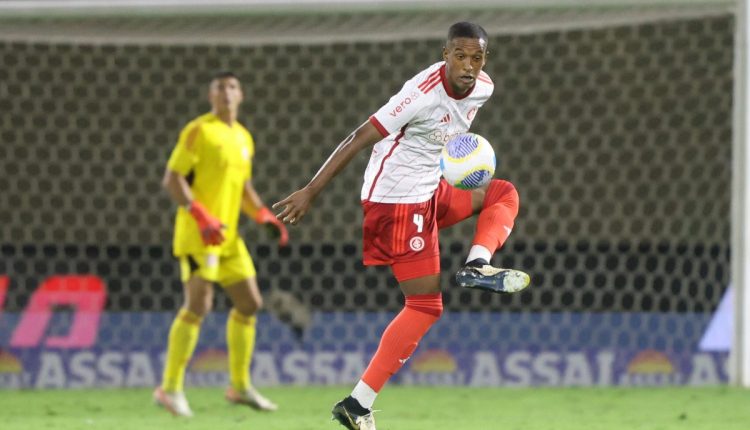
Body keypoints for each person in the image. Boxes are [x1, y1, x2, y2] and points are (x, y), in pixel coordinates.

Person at [273, 22, 530, 430]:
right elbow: (358, 136)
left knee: (502, 194)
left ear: (485, 60)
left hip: (430, 190)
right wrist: (310, 190)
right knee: (425, 306)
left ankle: (477, 264)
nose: (467, 66)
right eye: (459, 56)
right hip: (394, 201)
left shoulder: (484, 87)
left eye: (476, 58)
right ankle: (357, 406)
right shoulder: (420, 95)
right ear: (444, 54)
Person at [153, 71, 288, 417]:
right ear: (210, 96)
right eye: (219, 88)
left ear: (240, 95)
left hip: (227, 236)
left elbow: (242, 188)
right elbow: (172, 179)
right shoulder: (199, 130)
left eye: (231, 87)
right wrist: (200, 215)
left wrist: (263, 216)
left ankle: (240, 386)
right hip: (199, 233)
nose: (226, 93)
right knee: (198, 305)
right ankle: (169, 388)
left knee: (249, 303)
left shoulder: (243, 137)